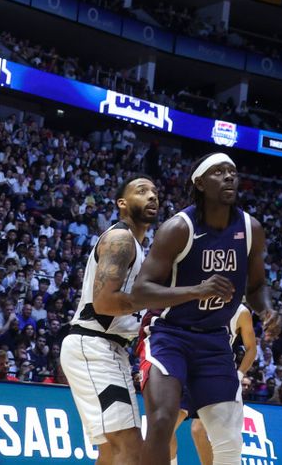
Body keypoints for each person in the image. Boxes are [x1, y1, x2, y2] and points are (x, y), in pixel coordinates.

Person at [61, 175, 230, 465]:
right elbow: (105, 302)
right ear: (122, 203)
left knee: (112, 451)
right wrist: (190, 292)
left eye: (155, 191)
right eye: (142, 191)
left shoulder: (141, 248)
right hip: (94, 345)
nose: (152, 196)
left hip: (109, 349)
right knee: (131, 449)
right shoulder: (120, 239)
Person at [133, 152, 279, 465]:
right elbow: (141, 291)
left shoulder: (250, 229)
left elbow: (256, 288)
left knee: (228, 437)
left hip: (215, 340)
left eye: (233, 172)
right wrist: (196, 291)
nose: (229, 177)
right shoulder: (178, 228)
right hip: (168, 335)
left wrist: (266, 310)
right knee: (161, 420)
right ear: (199, 183)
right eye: (219, 172)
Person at [170, 303, 259, 465]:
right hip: (188, 369)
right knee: (166, 429)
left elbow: (251, 349)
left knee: (199, 430)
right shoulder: (196, 300)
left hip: (216, 374)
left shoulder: (240, 312)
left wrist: (238, 375)